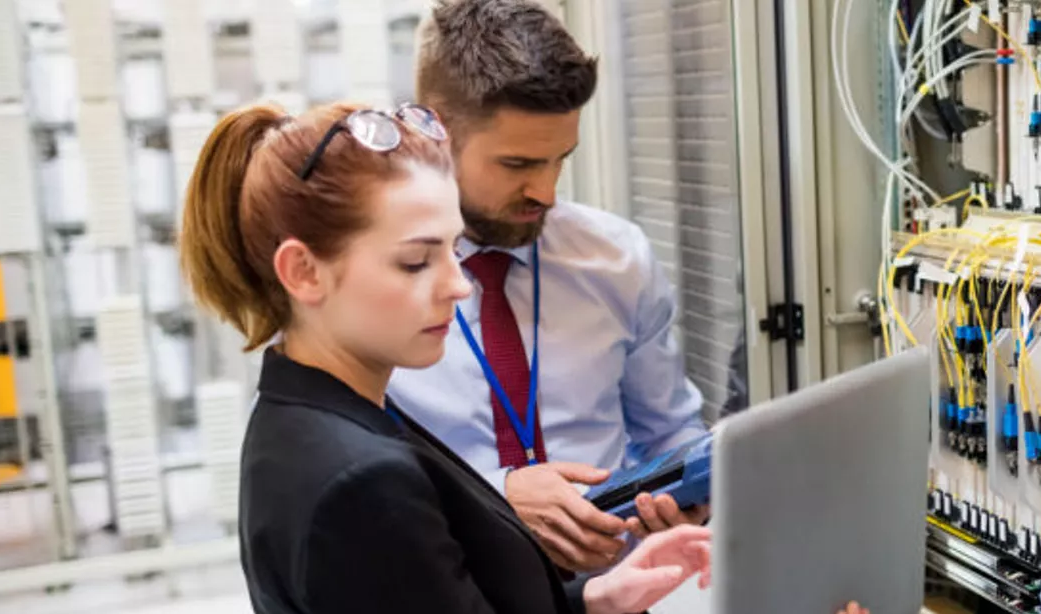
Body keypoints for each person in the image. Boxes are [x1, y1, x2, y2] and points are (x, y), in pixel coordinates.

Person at [177, 101, 713, 613]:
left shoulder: (321, 410)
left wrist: (594, 603)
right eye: (415, 262)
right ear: (303, 272)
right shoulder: (360, 484)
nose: (460, 288)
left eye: (452, 252)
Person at [388, 0, 709, 572]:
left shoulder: (617, 260)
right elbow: (344, 478)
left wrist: (686, 501)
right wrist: (493, 495)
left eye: (561, 159)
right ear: (433, 129)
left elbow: (669, 435)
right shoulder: (372, 286)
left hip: (621, 590)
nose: (547, 193)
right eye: (517, 165)